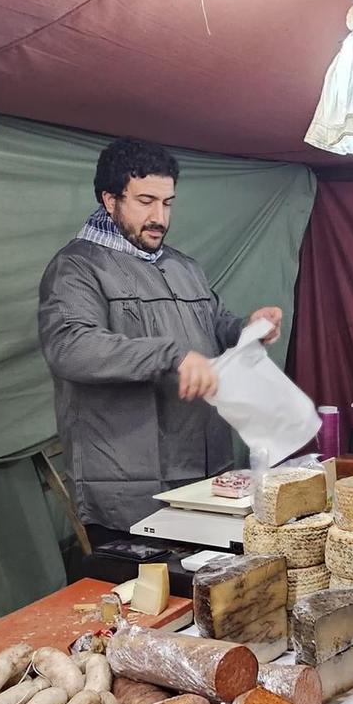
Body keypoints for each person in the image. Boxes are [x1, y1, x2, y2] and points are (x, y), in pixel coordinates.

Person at [37, 138, 283, 541]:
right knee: (149, 600)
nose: (159, 217)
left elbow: (214, 322)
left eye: (167, 203)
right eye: (145, 201)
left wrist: (248, 328)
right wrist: (171, 355)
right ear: (109, 199)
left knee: (210, 594)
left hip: (203, 474)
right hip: (130, 486)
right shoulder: (77, 268)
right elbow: (71, 347)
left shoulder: (182, 266)